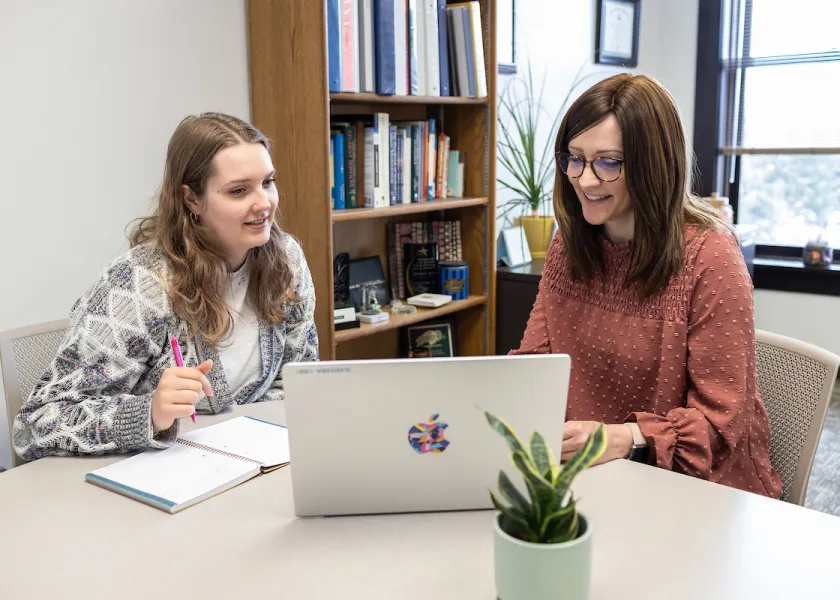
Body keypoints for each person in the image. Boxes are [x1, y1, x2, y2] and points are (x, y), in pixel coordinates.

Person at [512, 74, 782, 498]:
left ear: (653, 163)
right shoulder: (570, 242)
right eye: (574, 159)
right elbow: (535, 364)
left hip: (697, 488)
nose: (584, 180)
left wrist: (622, 437)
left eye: (608, 162)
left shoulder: (710, 256)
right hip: (593, 477)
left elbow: (720, 423)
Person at [14, 113, 318, 461]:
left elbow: (299, 381)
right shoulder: (137, 285)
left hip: (253, 465)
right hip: (157, 480)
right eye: (238, 190)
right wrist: (149, 413)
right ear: (191, 199)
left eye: (268, 182)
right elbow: (34, 426)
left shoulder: (286, 259)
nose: (264, 203)